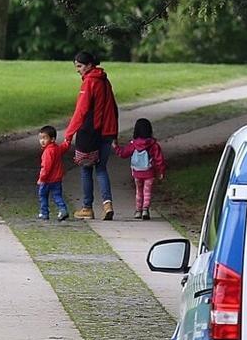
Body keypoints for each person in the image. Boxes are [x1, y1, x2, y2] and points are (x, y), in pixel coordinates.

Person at [64, 50, 119, 221]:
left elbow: (81, 111)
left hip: (92, 133)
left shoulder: (89, 83)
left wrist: (69, 134)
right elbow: (113, 107)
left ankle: (87, 207)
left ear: (88, 66)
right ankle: (107, 204)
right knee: (101, 169)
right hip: (108, 131)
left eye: (79, 66)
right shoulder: (105, 80)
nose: (77, 70)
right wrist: (115, 132)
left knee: (86, 168)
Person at [114, 118, 166, 220]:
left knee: (139, 191)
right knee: (147, 191)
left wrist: (116, 147)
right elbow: (159, 159)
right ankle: (145, 209)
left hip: (137, 172)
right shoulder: (153, 145)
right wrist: (161, 171)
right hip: (149, 172)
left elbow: (123, 153)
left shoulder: (133, 144)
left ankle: (138, 211)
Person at [37, 125, 70, 221]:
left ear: (52, 139)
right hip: (57, 179)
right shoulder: (56, 149)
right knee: (57, 195)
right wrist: (67, 141)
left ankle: (44, 212)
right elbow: (64, 147)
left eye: (44, 138)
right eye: (41, 138)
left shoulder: (48, 152)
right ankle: (63, 209)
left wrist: (41, 178)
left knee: (43, 195)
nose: (42, 141)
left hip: (47, 179)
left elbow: (46, 167)